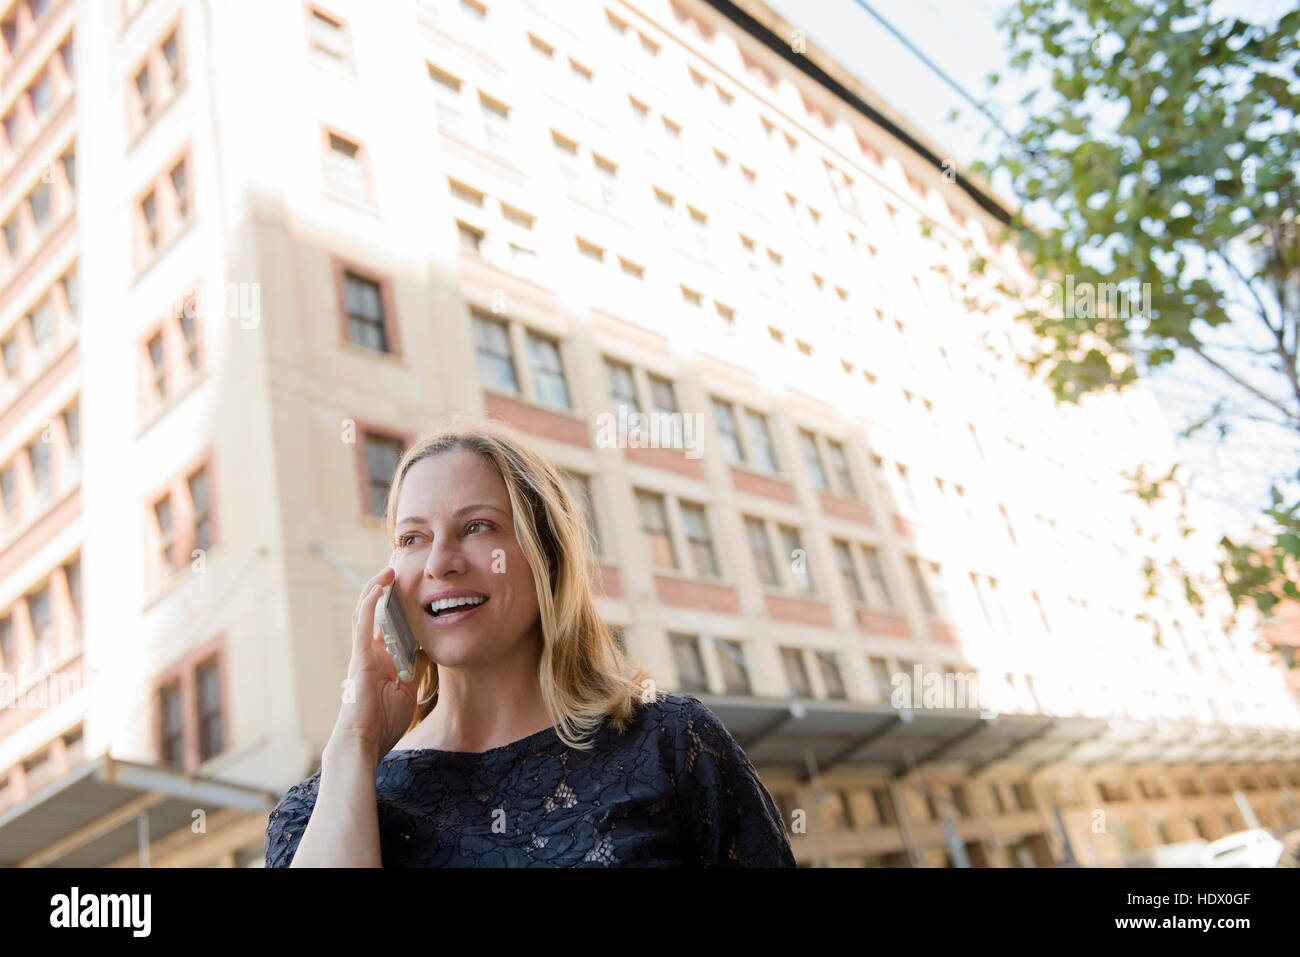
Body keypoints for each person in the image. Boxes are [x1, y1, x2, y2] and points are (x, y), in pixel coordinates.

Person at [265, 417, 796, 867]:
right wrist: (356, 743)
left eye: (478, 527)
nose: (440, 561)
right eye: (412, 537)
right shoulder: (322, 805)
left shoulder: (673, 745)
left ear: (547, 556)